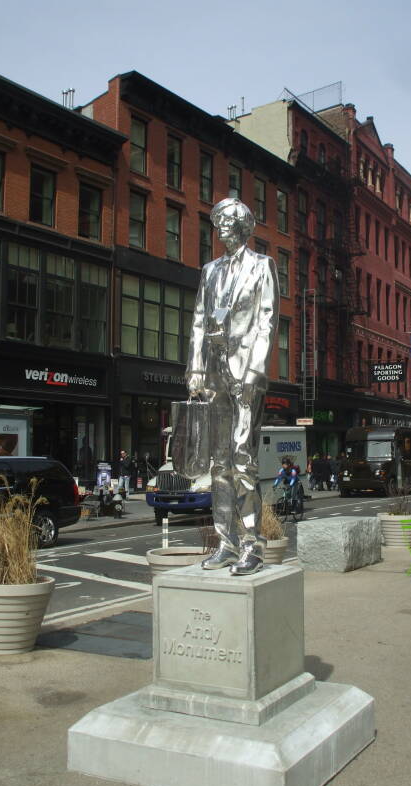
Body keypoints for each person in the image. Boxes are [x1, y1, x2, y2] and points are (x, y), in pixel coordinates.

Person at [185, 198, 279, 576]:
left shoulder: (262, 266)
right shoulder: (209, 271)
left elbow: (267, 320)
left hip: (244, 374)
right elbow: (197, 320)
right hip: (213, 376)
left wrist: (254, 372)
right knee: (218, 463)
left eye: (226, 222)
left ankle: (252, 545)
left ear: (243, 226)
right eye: (217, 222)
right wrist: (194, 368)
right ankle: (226, 542)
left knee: (242, 459)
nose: (220, 228)